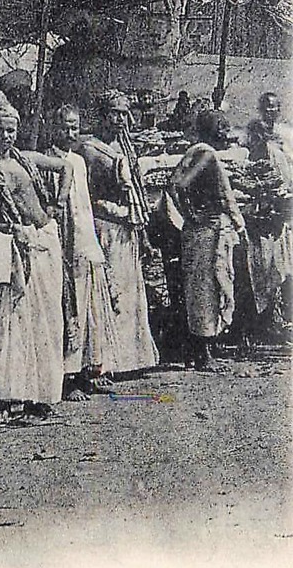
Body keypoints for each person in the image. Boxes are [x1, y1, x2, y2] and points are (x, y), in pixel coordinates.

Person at [0, 96, 73, 415]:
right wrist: (6, 228)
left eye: (12, 130)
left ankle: (43, 392)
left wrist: (58, 203)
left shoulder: (27, 160)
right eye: (1, 130)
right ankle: (14, 394)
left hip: (46, 240)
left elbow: (65, 166)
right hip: (17, 247)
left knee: (48, 318)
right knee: (17, 320)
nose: (7, 137)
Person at [75, 89, 159, 375]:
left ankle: (131, 359)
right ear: (102, 114)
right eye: (114, 112)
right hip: (103, 228)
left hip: (127, 230)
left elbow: (135, 191)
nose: (120, 119)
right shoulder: (88, 149)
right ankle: (105, 362)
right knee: (107, 293)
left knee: (129, 292)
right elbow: (83, 194)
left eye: (124, 113)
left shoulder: (125, 147)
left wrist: (143, 236)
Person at [44, 104, 122, 399]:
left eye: (74, 127)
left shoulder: (78, 161)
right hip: (64, 243)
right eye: (64, 127)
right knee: (67, 308)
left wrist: (93, 244)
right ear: (54, 128)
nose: (70, 133)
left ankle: (88, 370)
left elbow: (84, 207)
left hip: (85, 241)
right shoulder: (46, 161)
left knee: (89, 308)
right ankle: (65, 378)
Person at [170, 110, 247, 369]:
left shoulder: (194, 151)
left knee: (197, 289)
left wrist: (188, 215)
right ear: (210, 129)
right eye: (221, 126)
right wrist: (196, 215)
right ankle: (204, 355)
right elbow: (179, 186)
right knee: (207, 290)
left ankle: (197, 351)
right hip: (207, 231)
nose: (225, 131)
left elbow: (175, 186)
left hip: (198, 231)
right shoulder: (206, 154)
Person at [244, 91, 293, 327]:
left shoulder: (286, 134)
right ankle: (267, 316)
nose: (270, 112)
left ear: (279, 109)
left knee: (284, 261)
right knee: (267, 262)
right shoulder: (255, 137)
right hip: (267, 204)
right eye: (266, 108)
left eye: (274, 107)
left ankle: (281, 314)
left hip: (285, 200)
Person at [0, 69, 36, 148]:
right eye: (10, 97)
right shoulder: (10, 117)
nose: (13, 100)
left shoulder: (38, 115)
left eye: (21, 93)